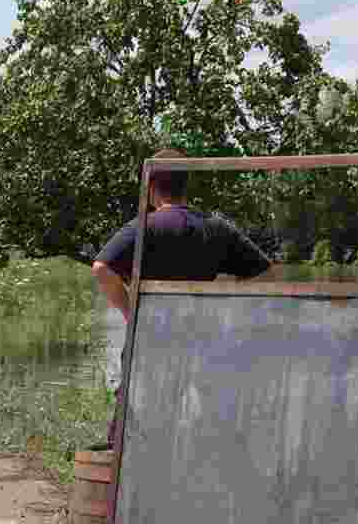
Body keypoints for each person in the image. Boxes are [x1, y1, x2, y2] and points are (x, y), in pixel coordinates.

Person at [91, 148, 273, 446]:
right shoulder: (215, 229)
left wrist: (130, 312)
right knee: (197, 422)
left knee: (133, 425)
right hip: (200, 342)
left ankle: (126, 481)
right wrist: (225, 305)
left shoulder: (143, 227)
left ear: (151, 186)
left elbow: (101, 268)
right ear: (185, 184)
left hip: (148, 341)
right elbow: (266, 274)